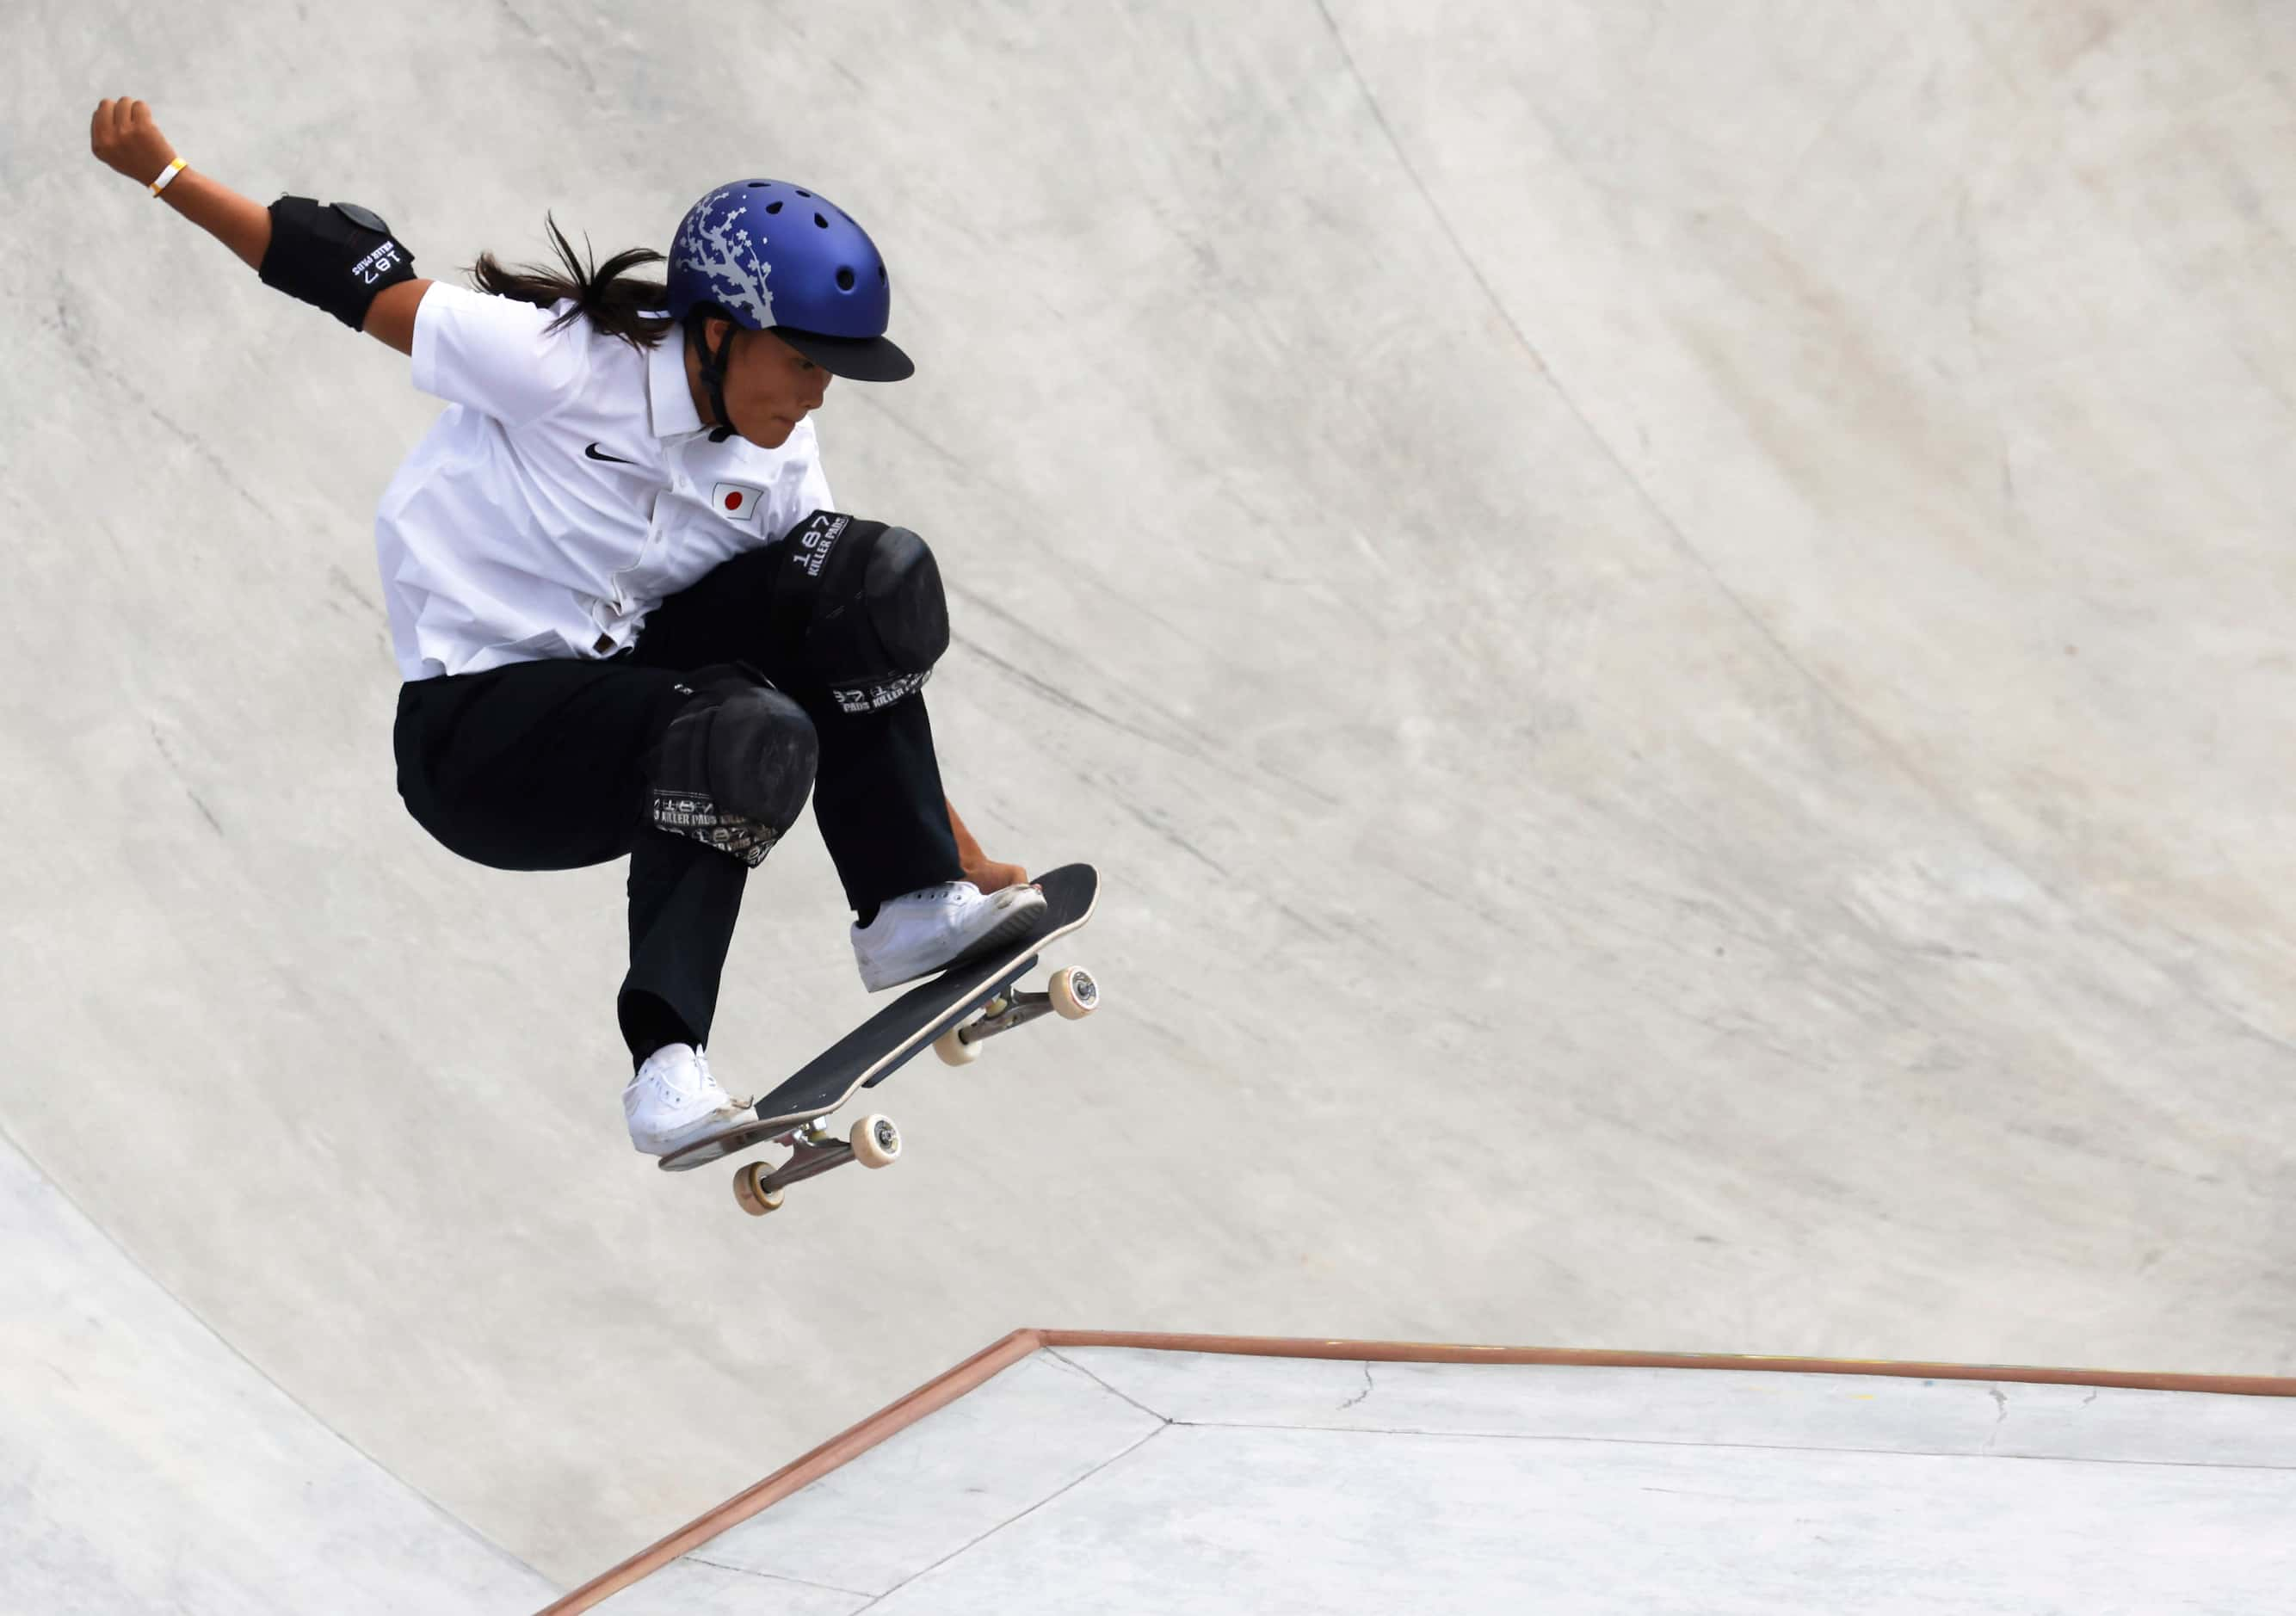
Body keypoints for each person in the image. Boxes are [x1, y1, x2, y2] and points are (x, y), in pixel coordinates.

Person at [89, 96, 1047, 1159]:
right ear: (720, 333)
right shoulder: (559, 361)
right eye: (804, 363)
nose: (816, 395)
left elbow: (850, 663)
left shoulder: (776, 461)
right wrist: (166, 173)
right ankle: (667, 1071)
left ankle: (906, 906)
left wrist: (956, 855)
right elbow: (344, 274)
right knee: (741, 730)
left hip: (635, 684)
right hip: (481, 744)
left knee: (867, 585)